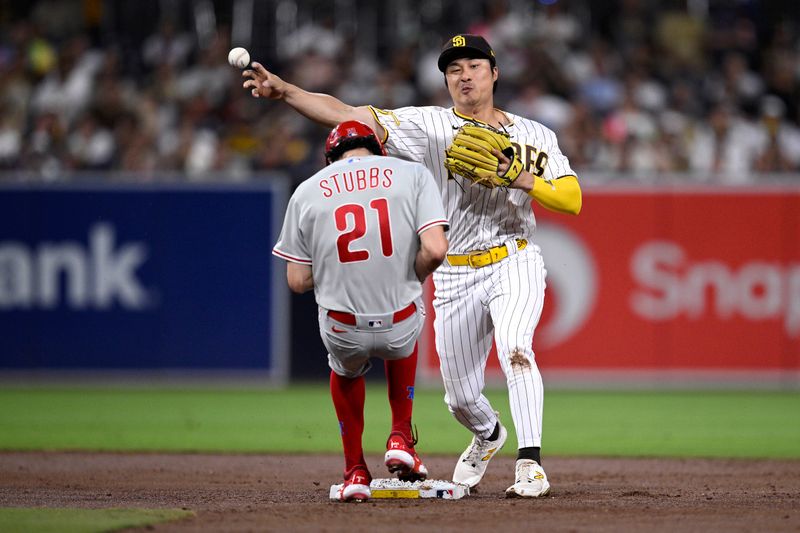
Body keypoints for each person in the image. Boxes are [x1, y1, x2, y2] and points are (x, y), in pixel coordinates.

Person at [250, 33, 582, 498]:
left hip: (515, 255)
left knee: (515, 348)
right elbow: (350, 115)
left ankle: (530, 465)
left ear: (495, 72)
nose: (464, 75)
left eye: (473, 66)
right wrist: (285, 91)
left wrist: (520, 176)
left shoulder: (534, 134)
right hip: (455, 271)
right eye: (453, 70)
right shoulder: (429, 126)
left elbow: (572, 199)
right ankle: (488, 434)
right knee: (461, 398)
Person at [272, 120, 449, 502]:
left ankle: (355, 472)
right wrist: (409, 276)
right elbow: (435, 250)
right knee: (406, 319)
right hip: (401, 323)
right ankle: (401, 434)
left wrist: (336, 267)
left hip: (342, 328)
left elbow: (298, 281)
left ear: (330, 157)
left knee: (345, 370)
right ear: (377, 149)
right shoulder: (413, 174)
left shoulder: (306, 191)